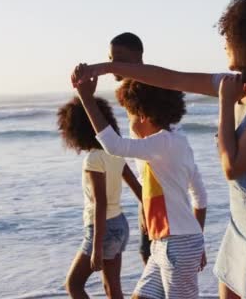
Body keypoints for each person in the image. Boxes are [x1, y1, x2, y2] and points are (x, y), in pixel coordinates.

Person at [73, 0, 246, 299]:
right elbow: (172, 79)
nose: (224, 42)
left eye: (230, 36)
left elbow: (232, 166)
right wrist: (105, 69)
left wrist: (226, 104)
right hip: (240, 221)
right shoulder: (238, 85)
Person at [73, 74, 208, 299]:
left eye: (129, 115)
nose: (128, 123)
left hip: (177, 245)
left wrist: (87, 98)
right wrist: (197, 241)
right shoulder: (177, 142)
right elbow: (200, 197)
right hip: (167, 243)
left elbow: (113, 145)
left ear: (143, 116)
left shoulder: (161, 143)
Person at [57, 97, 142, 299]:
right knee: (112, 288)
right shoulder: (115, 153)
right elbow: (138, 189)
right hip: (120, 225)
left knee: (74, 284)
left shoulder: (93, 159)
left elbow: (100, 203)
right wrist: (146, 215)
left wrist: (96, 248)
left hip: (102, 229)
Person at [108, 32, 152, 265]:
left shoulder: (146, 90)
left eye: (120, 58)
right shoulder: (132, 90)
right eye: (110, 58)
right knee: (150, 256)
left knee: (154, 257)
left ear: (138, 56)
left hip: (158, 189)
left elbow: (157, 150)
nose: (113, 64)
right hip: (149, 189)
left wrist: (147, 201)